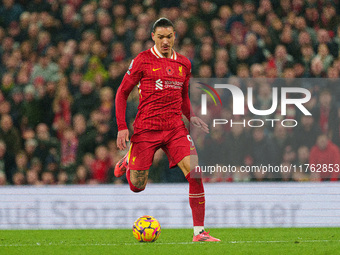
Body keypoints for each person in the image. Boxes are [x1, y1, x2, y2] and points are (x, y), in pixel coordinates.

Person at [114, 18, 220, 242]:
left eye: (169, 37)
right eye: (160, 37)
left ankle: (199, 233)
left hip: (174, 129)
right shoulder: (142, 60)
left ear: (174, 37)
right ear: (153, 36)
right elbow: (122, 92)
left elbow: (182, 96)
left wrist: (191, 117)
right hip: (146, 129)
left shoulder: (184, 64)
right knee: (137, 187)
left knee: (195, 174)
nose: (165, 41)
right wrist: (122, 127)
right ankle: (129, 160)